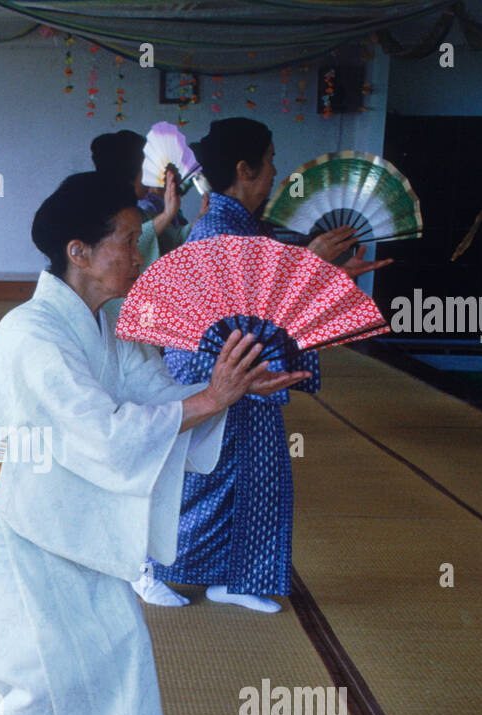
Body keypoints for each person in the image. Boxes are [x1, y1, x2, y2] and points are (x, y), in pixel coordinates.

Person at [0, 171, 311, 715]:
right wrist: (210, 399)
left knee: (115, 640)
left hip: (63, 501)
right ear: (78, 251)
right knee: (25, 654)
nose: (140, 251)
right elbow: (109, 433)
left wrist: (224, 389)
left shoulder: (114, 320)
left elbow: (152, 396)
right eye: (126, 238)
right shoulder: (32, 334)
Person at [133, 118, 390, 613]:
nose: (276, 173)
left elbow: (270, 301)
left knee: (256, 476)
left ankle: (234, 578)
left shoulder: (244, 226)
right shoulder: (215, 229)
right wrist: (310, 265)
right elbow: (246, 310)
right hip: (214, 371)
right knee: (205, 482)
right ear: (244, 169)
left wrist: (324, 272)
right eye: (270, 162)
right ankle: (149, 564)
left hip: (246, 366)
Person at [90, 129, 206, 269]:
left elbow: (176, 239)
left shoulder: (140, 212)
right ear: (129, 174)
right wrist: (166, 215)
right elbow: (131, 244)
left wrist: (201, 218)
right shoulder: (105, 213)